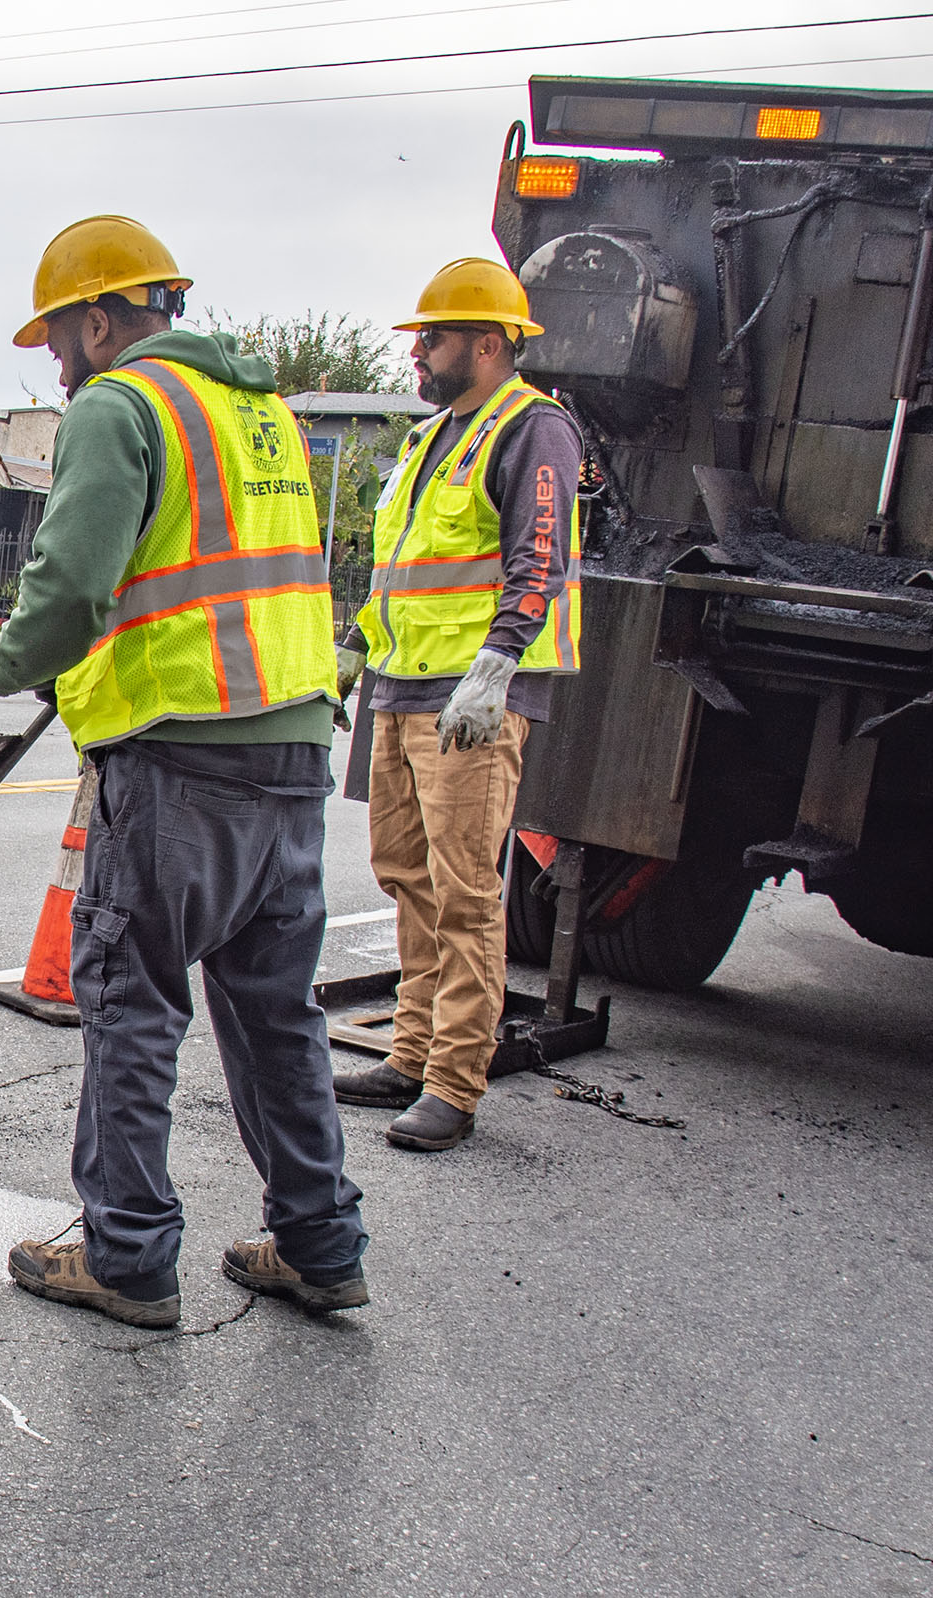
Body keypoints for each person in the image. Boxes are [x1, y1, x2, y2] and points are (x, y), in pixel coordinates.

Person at [0, 215, 368, 1328]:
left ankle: (128, 1253)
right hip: (292, 750)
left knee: (132, 1001)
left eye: (57, 337)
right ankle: (321, 1241)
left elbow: (74, 584)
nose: (54, 359)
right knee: (277, 1013)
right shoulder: (260, 409)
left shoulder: (119, 406)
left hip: (181, 762)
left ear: (100, 316)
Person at [329, 258, 583, 1152]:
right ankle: (409, 1050)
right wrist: (355, 653)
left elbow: (539, 557)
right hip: (403, 688)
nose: (418, 353)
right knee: (405, 875)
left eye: (431, 337)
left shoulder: (532, 429)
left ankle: (454, 1081)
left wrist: (497, 668)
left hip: (466, 699)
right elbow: (396, 571)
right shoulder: (428, 437)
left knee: (465, 889)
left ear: (486, 342)